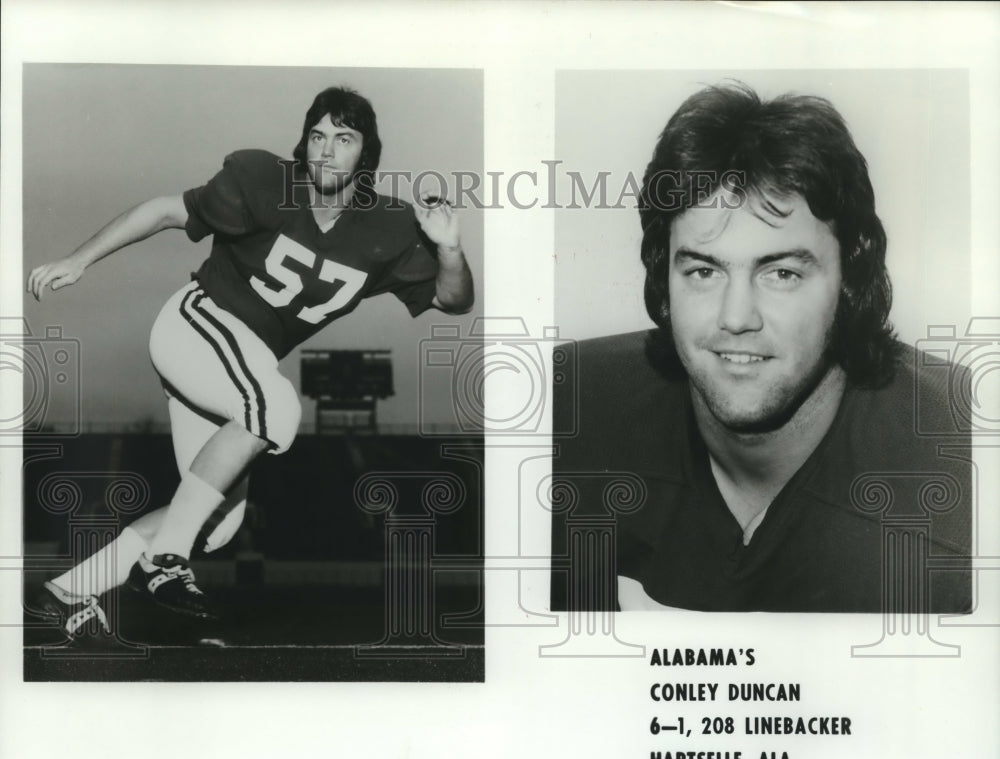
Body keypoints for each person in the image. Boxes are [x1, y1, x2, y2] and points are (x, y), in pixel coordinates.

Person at [26, 86, 474, 642]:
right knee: (274, 408)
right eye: (317, 136)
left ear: (367, 155)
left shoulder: (389, 228)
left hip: (241, 364)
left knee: (215, 524)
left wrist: (449, 248)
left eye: (344, 138)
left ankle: (67, 591)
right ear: (303, 143)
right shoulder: (265, 181)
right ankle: (163, 563)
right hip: (197, 323)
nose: (327, 150)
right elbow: (169, 210)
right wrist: (78, 259)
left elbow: (453, 300)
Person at [550, 82, 972, 613]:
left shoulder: (968, 466)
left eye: (782, 273)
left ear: (850, 276)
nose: (736, 318)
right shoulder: (560, 414)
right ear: (663, 276)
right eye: (704, 271)